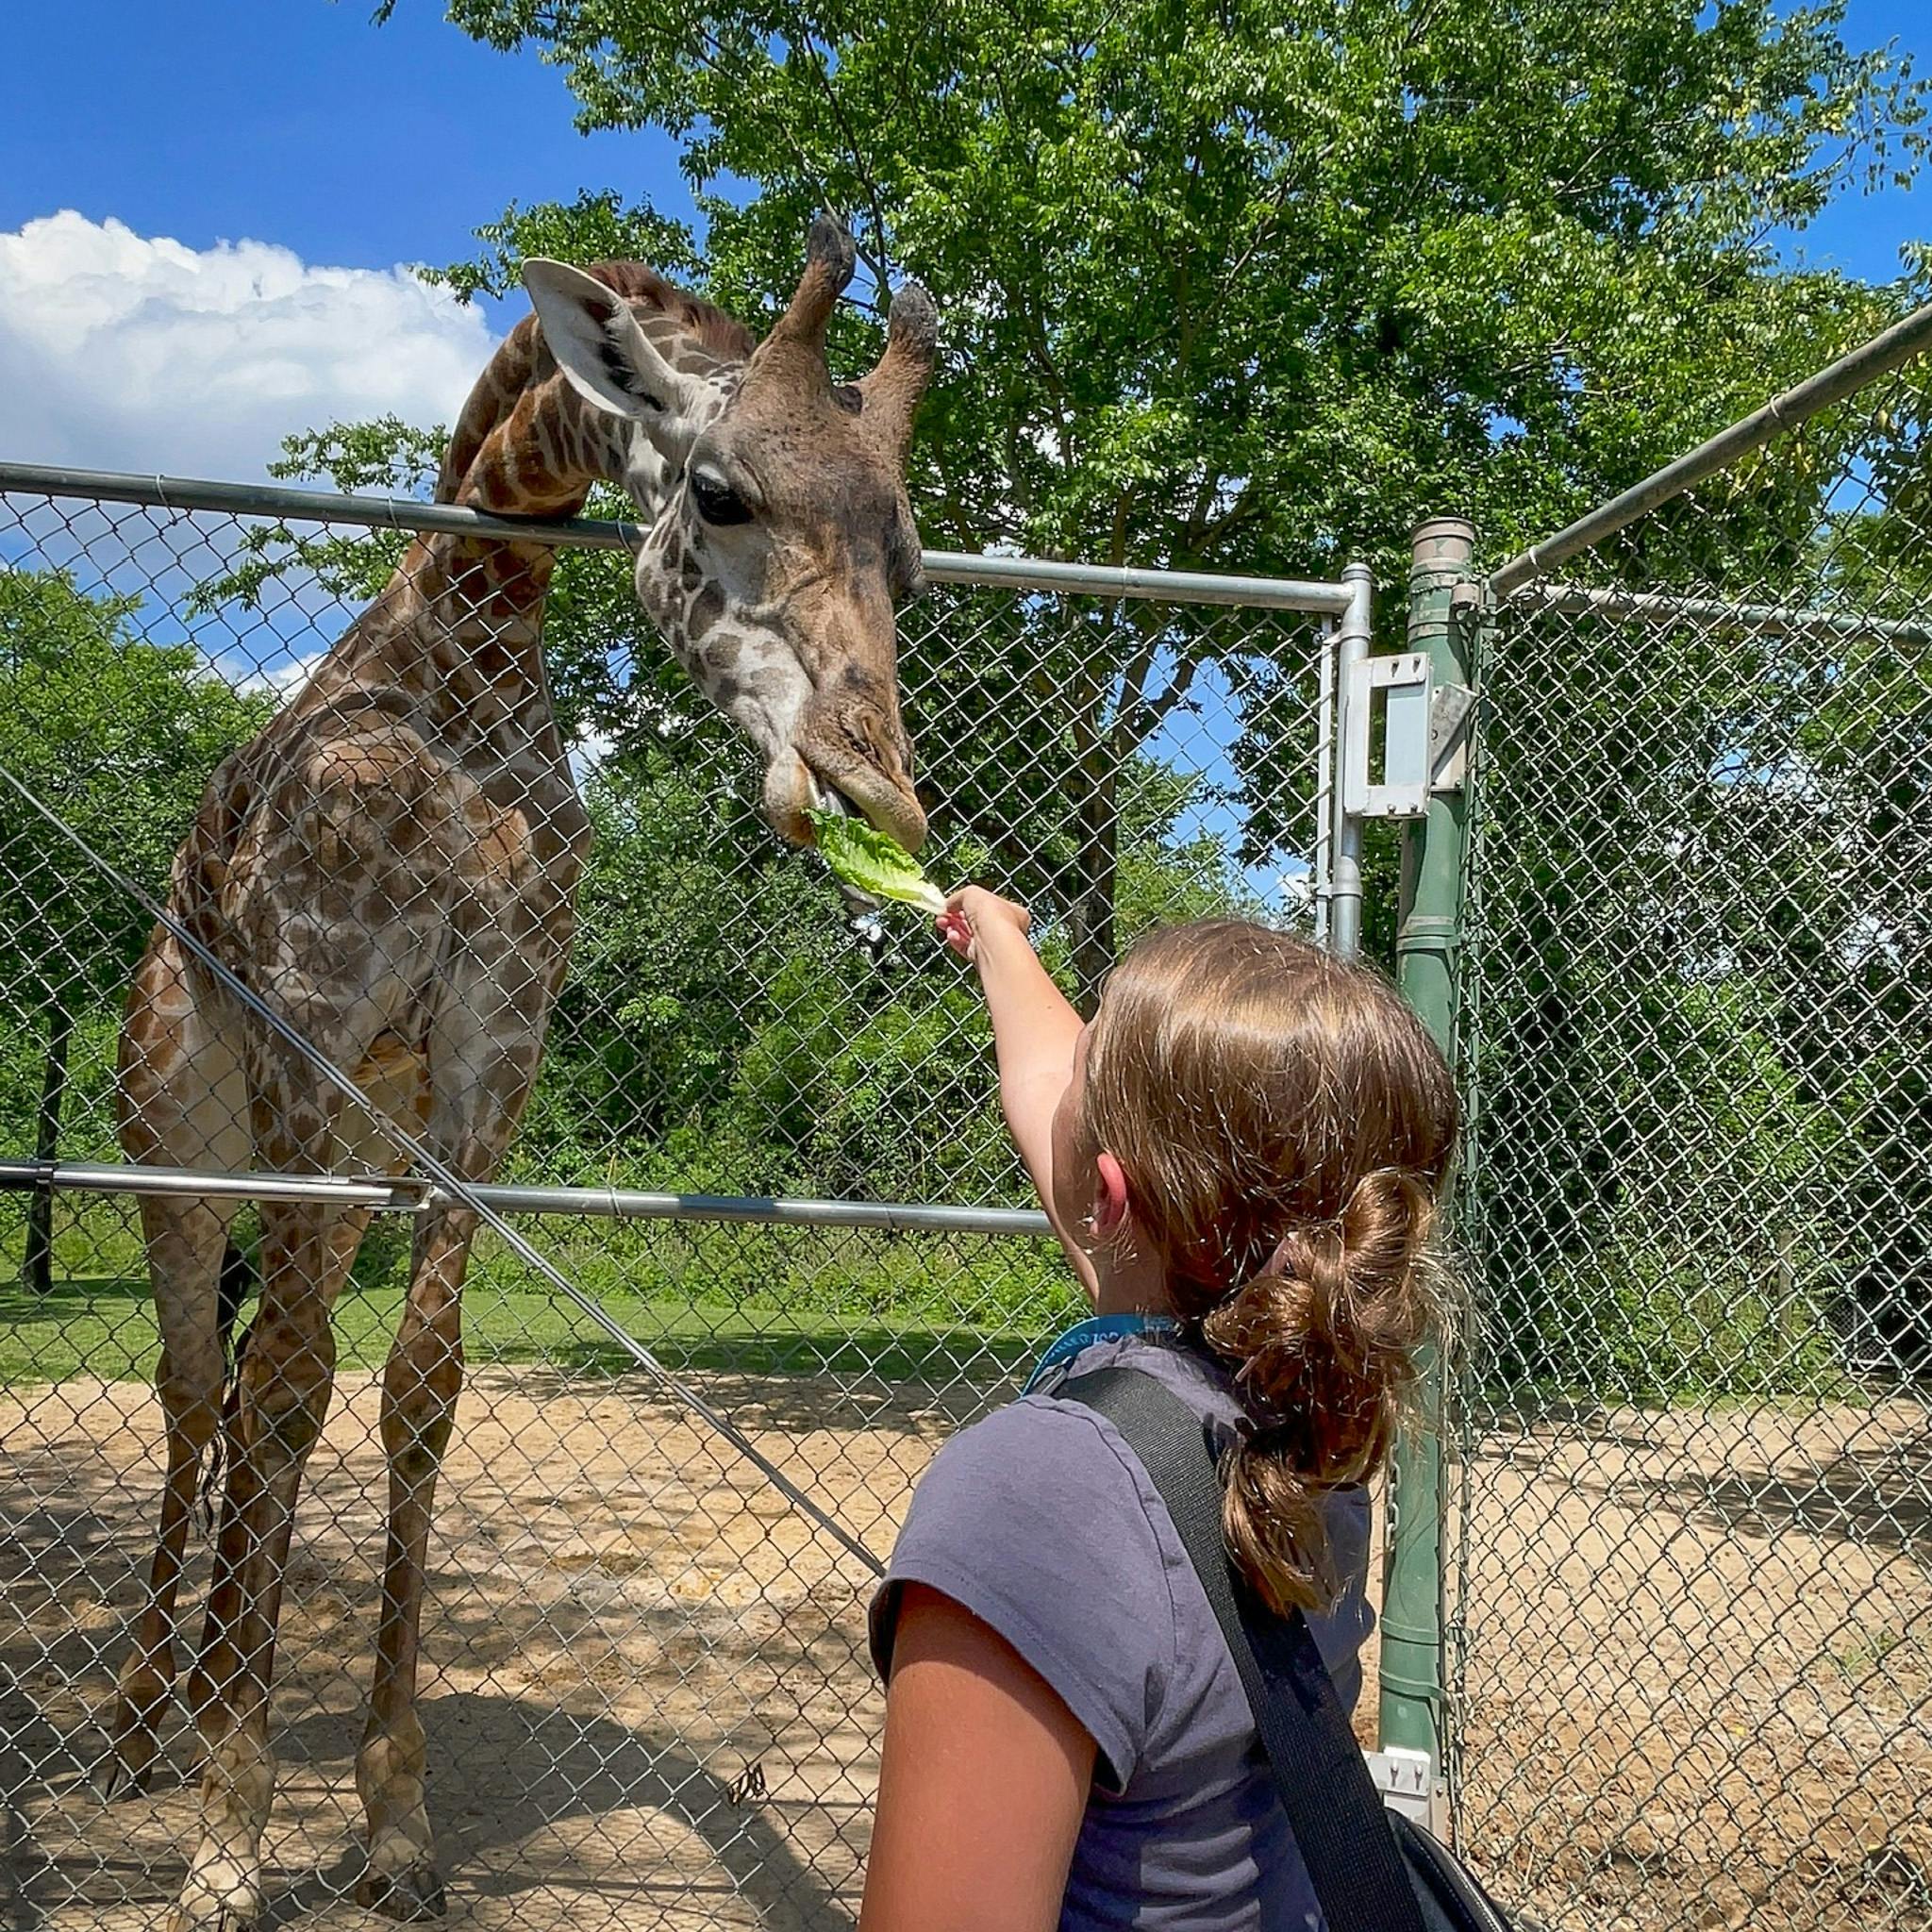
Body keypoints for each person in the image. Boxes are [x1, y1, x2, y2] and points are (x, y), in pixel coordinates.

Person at [858, 889, 1459, 1932]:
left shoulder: (1041, 1494)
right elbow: (1059, 1087)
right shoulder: (1304, 1403)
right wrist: (999, 937)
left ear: (1107, 1197)